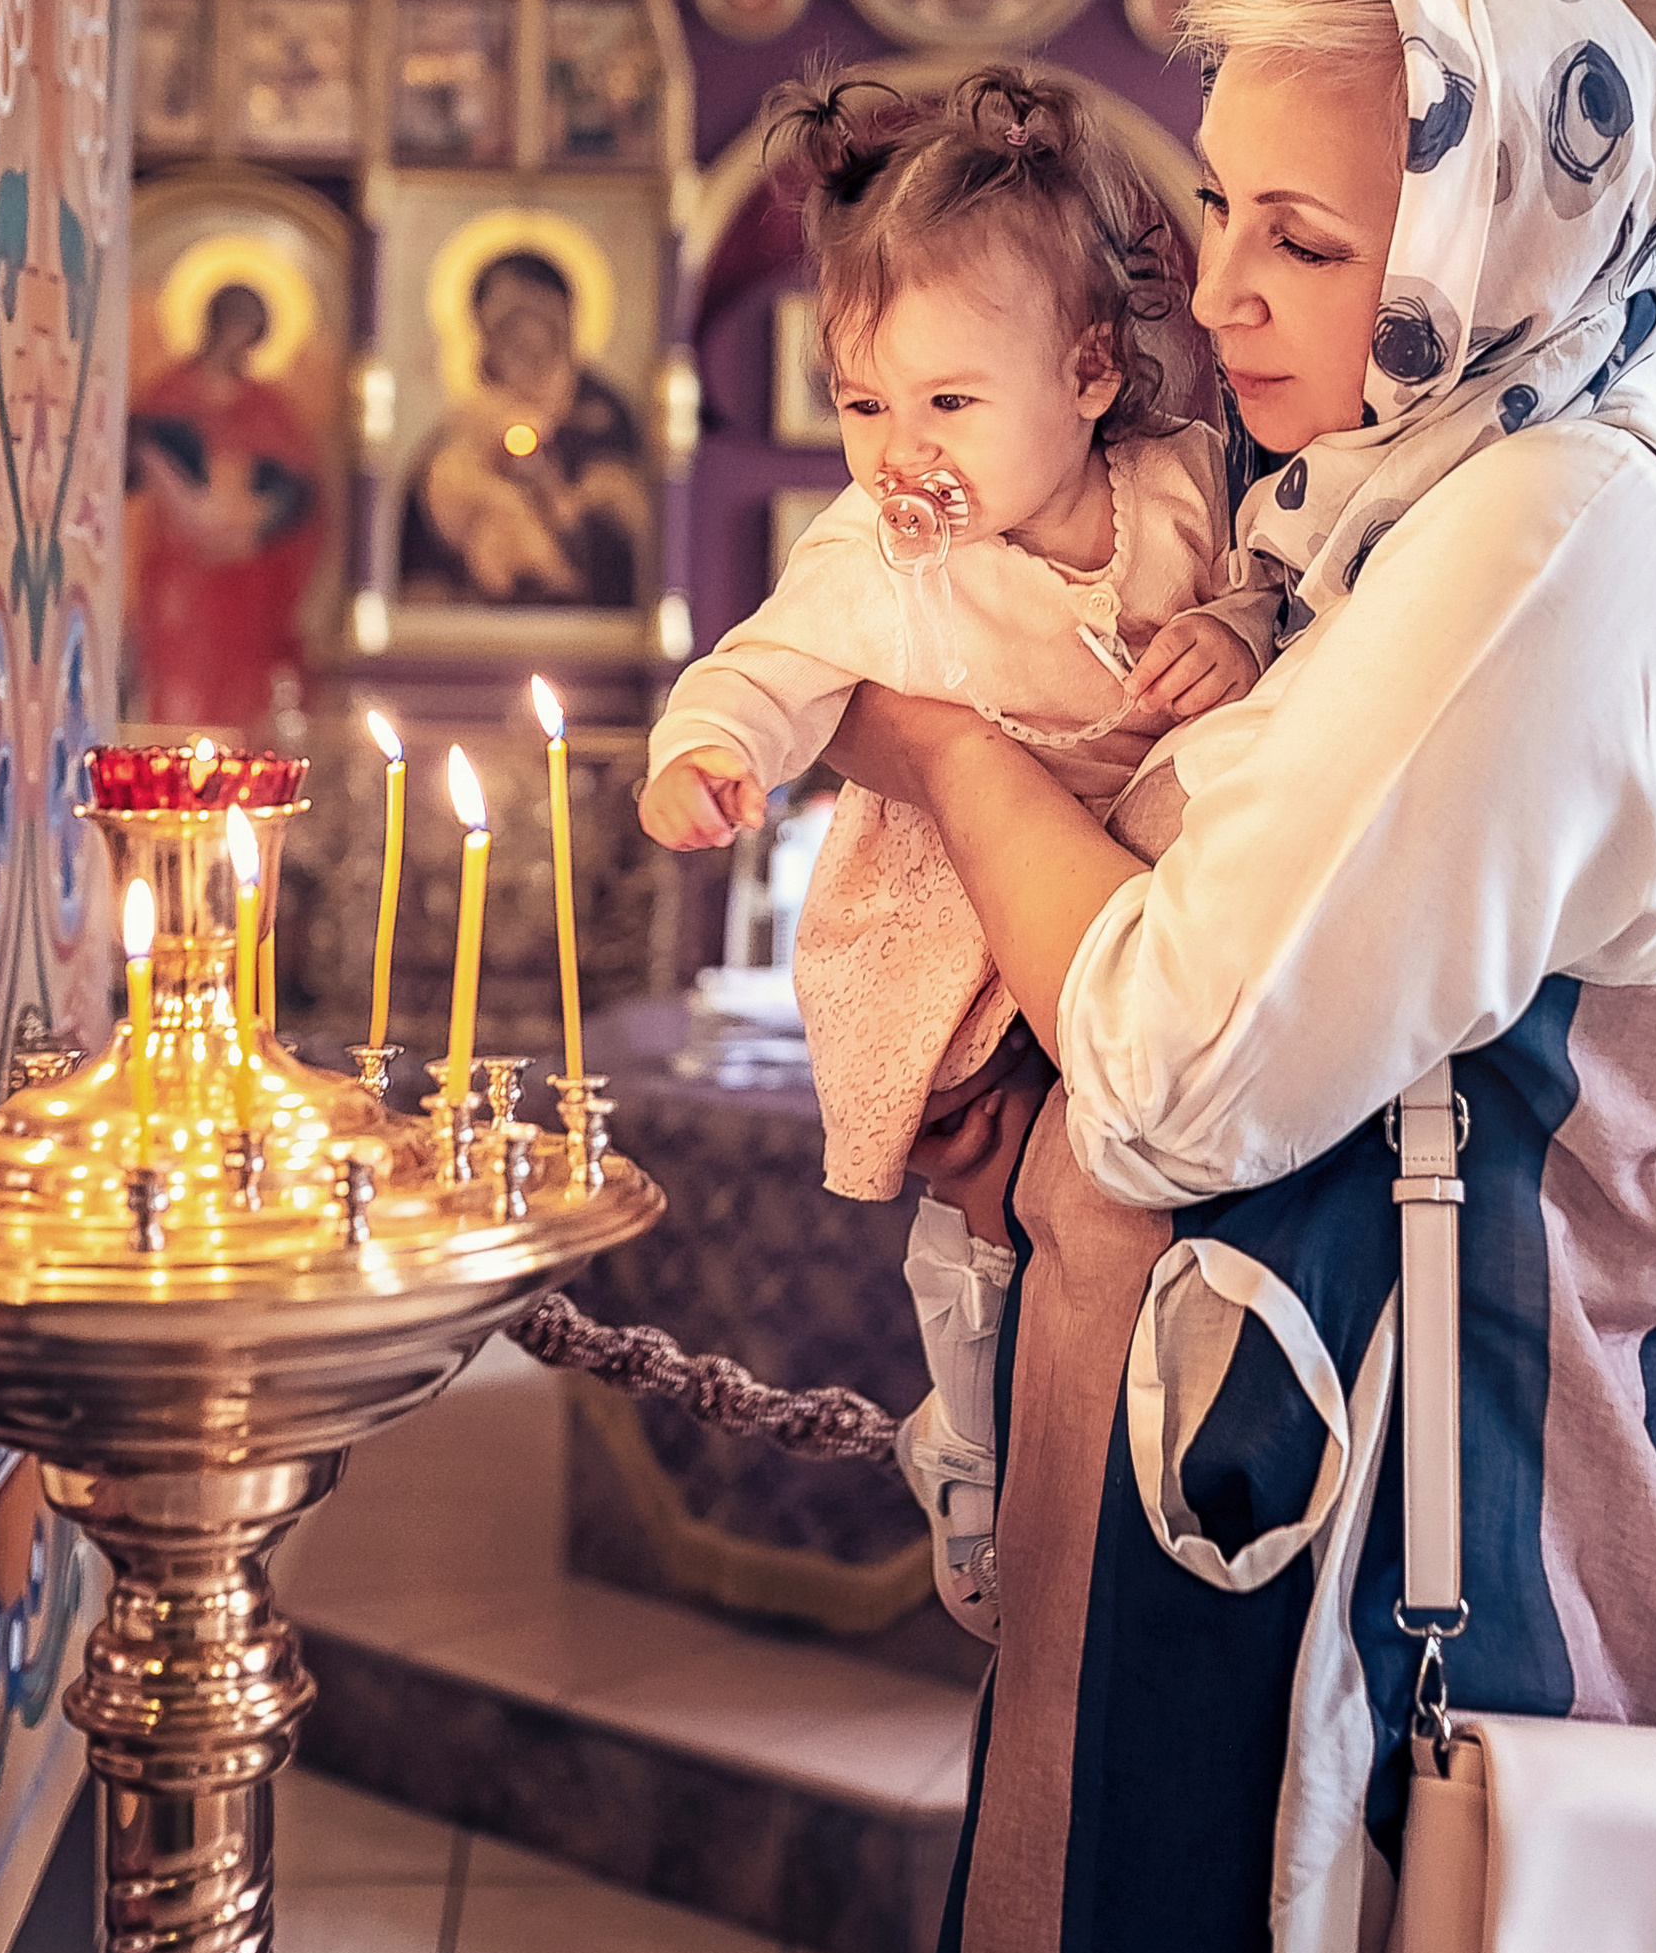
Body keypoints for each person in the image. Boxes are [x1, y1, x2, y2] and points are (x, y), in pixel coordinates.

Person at [828, 0, 1656, 1953]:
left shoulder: (1533, 534)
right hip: (1306, 1506)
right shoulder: (1429, 488)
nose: (1219, 295)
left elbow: (1167, 1058)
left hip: (1384, 1580)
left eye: (1306, 230)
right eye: (1223, 214)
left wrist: (934, 749)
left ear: (1486, 222)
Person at [641, 66, 1276, 1231]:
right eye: (865, 406)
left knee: (1136, 1161)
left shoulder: (1185, 483)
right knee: (999, 1169)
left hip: (1152, 906)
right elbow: (759, 666)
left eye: (948, 404)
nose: (899, 453)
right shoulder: (879, 555)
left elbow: (1273, 589)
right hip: (958, 910)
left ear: (1087, 373)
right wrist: (707, 750)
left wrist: (1230, 628)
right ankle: (988, 1327)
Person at [401, 246, 647, 607]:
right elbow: (419, 551)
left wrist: (576, 505)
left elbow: (628, 533)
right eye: (507, 329)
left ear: (563, 327)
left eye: (538, 324)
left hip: (584, 620)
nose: (524, 345)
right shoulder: (465, 424)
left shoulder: (605, 418)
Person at [126, 281, 322, 726]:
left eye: (251, 331)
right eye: (234, 325)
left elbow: (299, 494)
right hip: (181, 571)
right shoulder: (170, 394)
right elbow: (137, 466)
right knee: (178, 682)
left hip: (246, 575)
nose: (241, 340)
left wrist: (255, 525)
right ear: (214, 324)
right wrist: (188, 508)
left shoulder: (267, 406)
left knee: (240, 686)